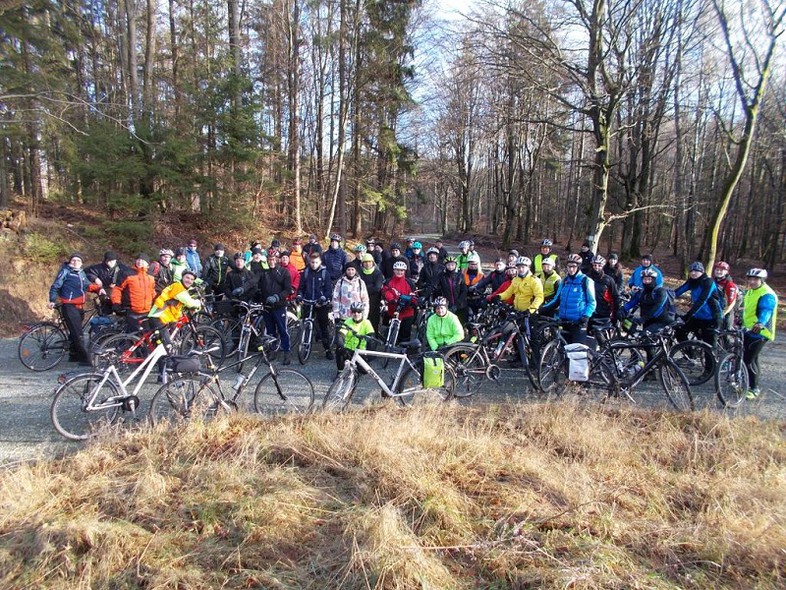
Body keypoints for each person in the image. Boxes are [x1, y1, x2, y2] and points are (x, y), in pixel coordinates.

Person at [48, 252, 96, 365]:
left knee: (74, 332)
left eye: (78, 261)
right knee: (78, 334)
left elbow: (87, 285)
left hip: (79, 306)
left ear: (81, 263)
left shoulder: (81, 273)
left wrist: (99, 289)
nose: (75, 262)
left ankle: (73, 355)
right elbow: (55, 286)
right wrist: (52, 300)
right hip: (69, 306)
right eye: (73, 260)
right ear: (70, 262)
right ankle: (85, 360)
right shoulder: (65, 271)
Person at [741, 268, 778, 399]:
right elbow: (748, 310)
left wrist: (760, 323)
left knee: (749, 360)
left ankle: (754, 388)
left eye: (755, 279)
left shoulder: (767, 293)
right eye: (750, 279)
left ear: (761, 280)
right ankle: (746, 384)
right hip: (748, 329)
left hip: (761, 332)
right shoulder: (750, 291)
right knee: (747, 358)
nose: (752, 281)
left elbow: (766, 311)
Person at [147, 270, 202, 352]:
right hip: (158, 316)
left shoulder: (179, 286)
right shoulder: (178, 288)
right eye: (187, 277)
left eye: (191, 279)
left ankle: (159, 358)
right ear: (182, 277)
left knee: (162, 341)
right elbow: (190, 302)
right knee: (168, 347)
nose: (189, 280)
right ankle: (166, 362)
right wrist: (199, 303)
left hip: (162, 316)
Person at [674, 261, 723, 349]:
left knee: (709, 346)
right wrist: (663, 296)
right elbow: (677, 292)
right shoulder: (692, 281)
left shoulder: (708, 282)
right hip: (698, 316)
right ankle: (690, 355)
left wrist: (688, 316)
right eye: (691, 271)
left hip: (711, 318)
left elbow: (702, 300)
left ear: (702, 272)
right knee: (679, 330)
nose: (693, 273)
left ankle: (713, 362)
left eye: (696, 271)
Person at [258, 250, 293, 365]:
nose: (271, 261)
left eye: (273, 259)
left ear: (277, 260)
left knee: (283, 330)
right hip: (267, 306)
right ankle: (273, 351)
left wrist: (277, 297)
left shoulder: (284, 272)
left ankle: (287, 352)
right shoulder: (264, 273)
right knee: (270, 330)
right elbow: (258, 288)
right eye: (269, 259)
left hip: (279, 306)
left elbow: (288, 290)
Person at [297, 253, 334, 359]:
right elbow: (301, 287)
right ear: (309, 262)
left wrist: (323, 299)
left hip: (320, 303)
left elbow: (328, 290)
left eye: (316, 262)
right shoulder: (306, 272)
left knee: (323, 327)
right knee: (305, 323)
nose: (314, 264)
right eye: (312, 262)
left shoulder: (324, 273)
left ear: (320, 262)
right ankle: (304, 342)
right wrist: (299, 296)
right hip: (308, 301)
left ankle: (328, 350)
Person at [619, 267, 674, 333]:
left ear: (653, 280)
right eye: (645, 279)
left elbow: (658, 308)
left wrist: (643, 318)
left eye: (649, 279)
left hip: (662, 321)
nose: (647, 281)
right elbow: (632, 303)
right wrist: (622, 309)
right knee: (637, 335)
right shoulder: (642, 292)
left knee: (644, 338)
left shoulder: (660, 291)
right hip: (647, 321)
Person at [111, 253, 156, 333]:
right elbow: (117, 289)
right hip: (132, 310)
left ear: (147, 263)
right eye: (138, 260)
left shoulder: (151, 276)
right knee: (132, 335)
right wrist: (116, 303)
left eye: (143, 261)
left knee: (145, 336)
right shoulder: (128, 273)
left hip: (147, 310)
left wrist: (156, 301)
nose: (140, 262)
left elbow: (152, 291)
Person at [557, 253, 596, 345]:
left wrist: (586, 316)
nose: (571, 269)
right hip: (565, 321)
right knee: (564, 352)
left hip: (578, 322)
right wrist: (541, 309)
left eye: (573, 266)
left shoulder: (586, 280)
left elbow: (592, 302)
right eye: (569, 266)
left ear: (578, 267)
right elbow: (556, 299)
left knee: (577, 354)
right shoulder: (565, 280)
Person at [381, 260, 419, 342]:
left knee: (405, 335)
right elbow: (386, 291)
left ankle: (404, 351)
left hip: (407, 312)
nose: (399, 272)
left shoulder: (410, 283)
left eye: (402, 270)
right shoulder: (388, 281)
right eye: (397, 270)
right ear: (394, 270)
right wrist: (391, 299)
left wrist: (412, 302)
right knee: (391, 334)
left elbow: (414, 295)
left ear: (404, 271)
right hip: (394, 311)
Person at [335, 302, 375, 372]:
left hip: (360, 351)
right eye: (354, 311)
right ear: (351, 312)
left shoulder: (367, 323)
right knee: (339, 350)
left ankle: (356, 365)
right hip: (348, 349)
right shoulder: (348, 321)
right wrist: (342, 347)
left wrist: (369, 355)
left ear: (362, 312)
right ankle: (340, 371)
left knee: (364, 371)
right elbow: (340, 335)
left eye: (359, 311)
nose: (356, 314)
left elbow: (372, 340)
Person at [85, 250, 128, 315]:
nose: (110, 263)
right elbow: (86, 272)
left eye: (112, 261)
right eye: (108, 261)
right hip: (104, 294)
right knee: (104, 314)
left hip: (119, 295)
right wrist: (95, 278)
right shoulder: (99, 267)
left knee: (120, 314)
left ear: (116, 260)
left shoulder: (123, 269)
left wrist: (117, 284)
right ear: (105, 260)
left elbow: (129, 279)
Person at [587, 255, 620, 335]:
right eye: (595, 265)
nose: (597, 267)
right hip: (589, 312)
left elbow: (615, 298)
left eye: (599, 265)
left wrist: (614, 316)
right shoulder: (587, 278)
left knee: (602, 338)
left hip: (603, 313)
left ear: (603, 266)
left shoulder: (608, 280)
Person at [436, 255, 469, 325]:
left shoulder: (460, 276)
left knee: (460, 325)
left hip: (460, 306)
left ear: (456, 265)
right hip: (447, 305)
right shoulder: (441, 276)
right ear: (445, 266)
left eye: (452, 265)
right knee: (448, 325)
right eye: (448, 265)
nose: (450, 267)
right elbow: (434, 286)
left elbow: (464, 290)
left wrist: (458, 303)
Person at [358, 253, 384, 335]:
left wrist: (364, 289)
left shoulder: (378, 273)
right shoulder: (359, 273)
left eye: (369, 262)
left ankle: (374, 337)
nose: (367, 264)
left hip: (375, 301)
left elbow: (377, 288)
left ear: (373, 263)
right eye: (365, 262)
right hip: (361, 300)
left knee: (374, 320)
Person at [713, 261, 739, 330]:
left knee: (726, 332)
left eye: (721, 270)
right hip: (715, 310)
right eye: (717, 270)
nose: (718, 272)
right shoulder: (713, 282)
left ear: (726, 272)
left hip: (727, 311)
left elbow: (731, 303)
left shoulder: (730, 285)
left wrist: (722, 314)